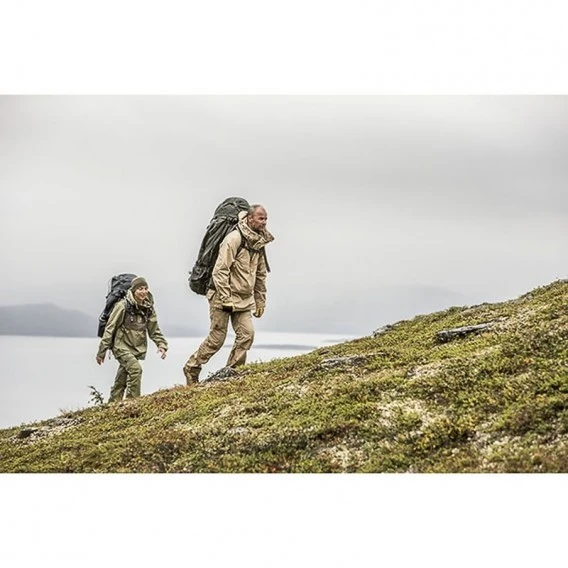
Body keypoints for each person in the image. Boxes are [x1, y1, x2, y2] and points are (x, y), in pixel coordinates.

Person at [183, 204, 274, 384]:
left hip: (244, 298)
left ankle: (232, 373)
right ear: (249, 218)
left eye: (266, 219)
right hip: (221, 295)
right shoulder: (233, 239)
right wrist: (225, 298)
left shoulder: (259, 242)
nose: (264, 222)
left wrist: (260, 301)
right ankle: (192, 367)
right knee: (217, 339)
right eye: (260, 218)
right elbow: (220, 271)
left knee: (247, 335)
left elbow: (261, 274)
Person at [96, 276, 168, 402]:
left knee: (121, 379)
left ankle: (113, 403)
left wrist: (161, 344)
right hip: (120, 347)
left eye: (145, 288)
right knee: (136, 370)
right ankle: (133, 403)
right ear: (133, 290)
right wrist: (101, 352)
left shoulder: (148, 308)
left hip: (135, 349)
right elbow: (110, 329)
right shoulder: (122, 306)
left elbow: (154, 330)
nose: (143, 292)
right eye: (140, 289)